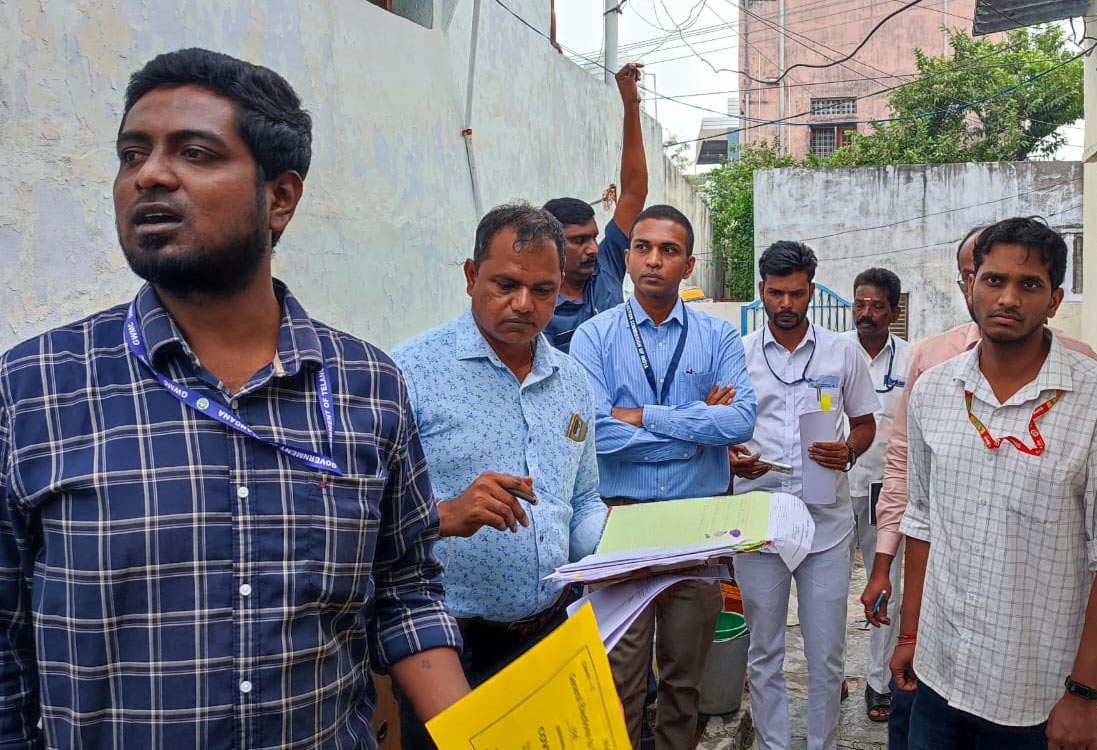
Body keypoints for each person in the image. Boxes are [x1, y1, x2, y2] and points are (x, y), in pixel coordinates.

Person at [0, 49, 469, 749]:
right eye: (132, 154)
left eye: (194, 152)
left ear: (279, 197)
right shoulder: (34, 388)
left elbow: (404, 589)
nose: (150, 175)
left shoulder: (367, 385)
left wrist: (480, 733)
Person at [891, 218, 1097, 750]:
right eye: (993, 280)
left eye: (1028, 285)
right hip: (940, 676)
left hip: (1037, 695)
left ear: (1054, 300)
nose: (1008, 298)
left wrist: (1082, 696)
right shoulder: (935, 391)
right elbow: (921, 519)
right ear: (971, 286)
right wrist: (910, 634)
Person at [390, 203, 608, 748]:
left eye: (543, 290)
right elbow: (360, 513)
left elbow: (582, 499)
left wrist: (625, 550)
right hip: (445, 646)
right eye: (505, 283)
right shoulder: (407, 374)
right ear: (470, 276)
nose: (523, 304)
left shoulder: (573, 380)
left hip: (550, 635)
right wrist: (445, 515)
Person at [571, 204, 756, 750]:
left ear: (689, 263)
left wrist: (646, 416)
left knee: (684, 681)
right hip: (619, 521)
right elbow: (596, 436)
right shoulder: (594, 337)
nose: (654, 260)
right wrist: (699, 430)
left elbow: (742, 420)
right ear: (627, 257)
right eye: (644, 248)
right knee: (620, 679)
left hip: (696, 525)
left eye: (668, 250)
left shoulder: (718, 337)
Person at [729, 242, 878, 750]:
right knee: (764, 651)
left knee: (827, 653)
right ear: (761, 292)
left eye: (796, 294)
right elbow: (721, 428)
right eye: (776, 294)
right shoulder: (738, 354)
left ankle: (822, 745)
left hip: (826, 522)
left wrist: (849, 453)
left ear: (811, 291)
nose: (786, 304)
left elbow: (864, 424)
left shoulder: (843, 351)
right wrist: (730, 453)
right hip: (758, 516)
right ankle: (773, 745)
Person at [840, 267, 913, 723]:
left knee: (887, 589)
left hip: (886, 490)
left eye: (877, 306)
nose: (867, 314)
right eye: (860, 304)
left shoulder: (911, 359)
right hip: (833, 488)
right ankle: (833, 679)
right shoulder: (832, 353)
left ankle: (879, 682)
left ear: (894, 311)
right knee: (826, 588)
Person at [542, 61, 648, 352]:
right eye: (579, 240)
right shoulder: (537, 302)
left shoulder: (607, 265)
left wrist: (631, 105)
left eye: (593, 237)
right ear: (550, 244)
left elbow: (635, 192)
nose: (593, 248)